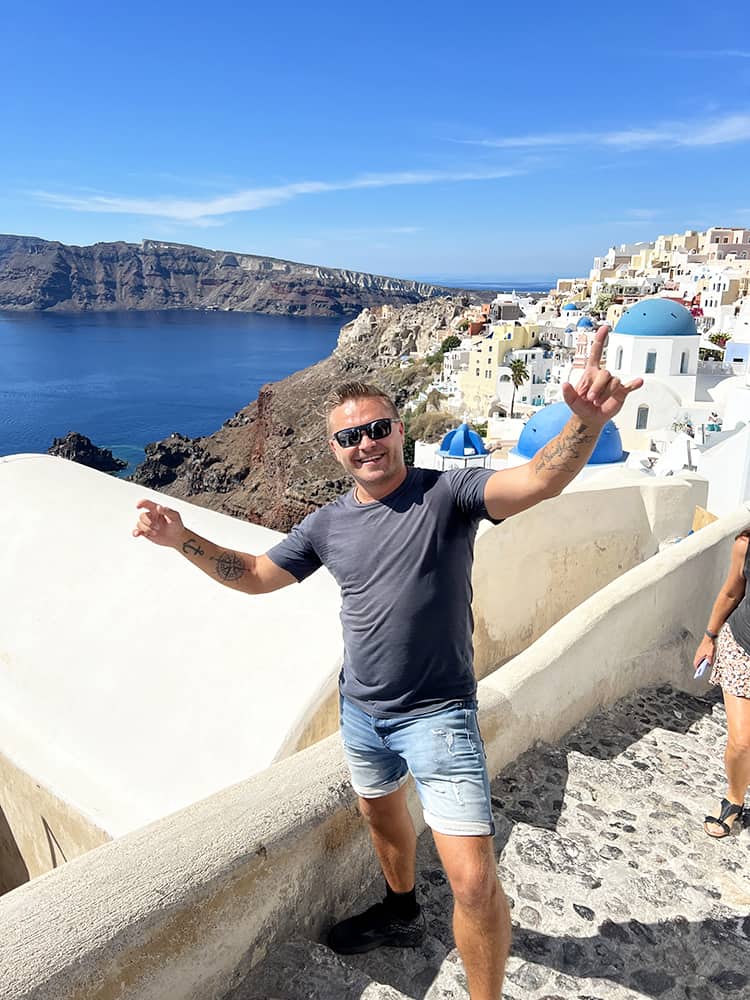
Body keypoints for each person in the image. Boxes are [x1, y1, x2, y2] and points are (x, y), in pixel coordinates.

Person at [133, 325, 641, 1000]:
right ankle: (400, 910)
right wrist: (181, 539)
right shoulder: (326, 525)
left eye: (376, 429)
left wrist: (581, 427)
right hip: (363, 712)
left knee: (472, 881)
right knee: (381, 818)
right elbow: (255, 573)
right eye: (349, 436)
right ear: (335, 450)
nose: (365, 444)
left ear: (400, 430)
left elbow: (538, 481)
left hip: (440, 716)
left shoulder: (449, 496)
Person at [695, 529, 750, 838]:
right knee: (742, 742)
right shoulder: (745, 545)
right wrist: (708, 638)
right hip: (743, 649)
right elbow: (731, 592)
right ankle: (734, 797)